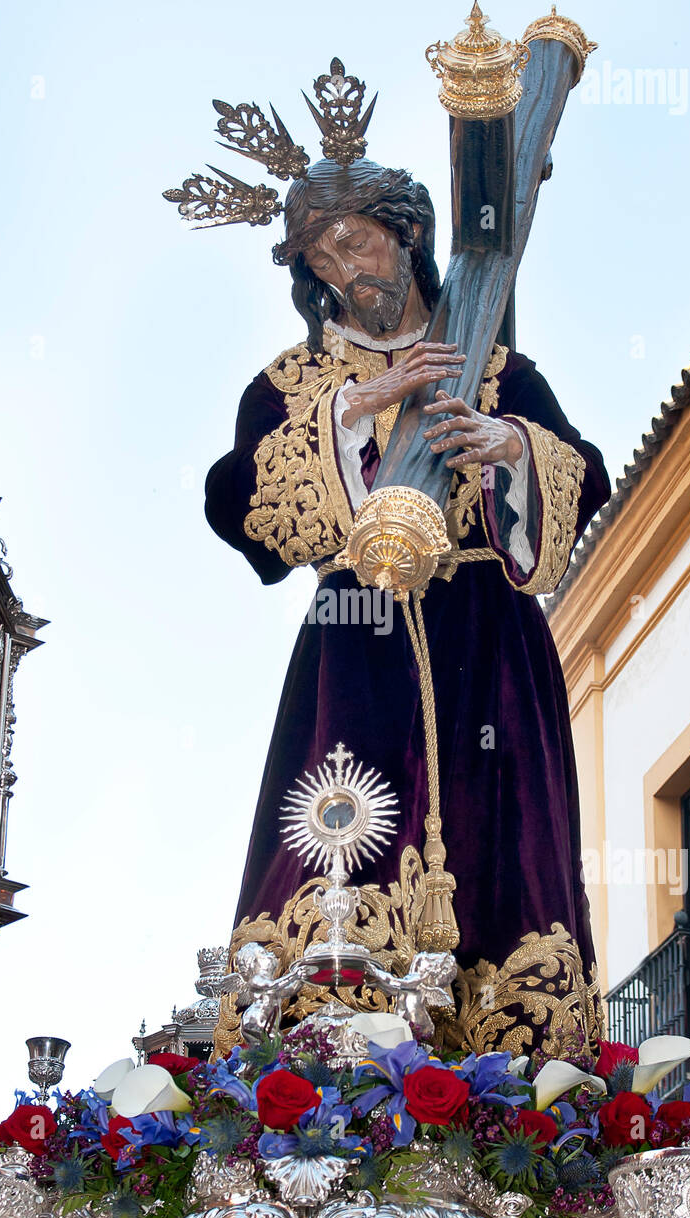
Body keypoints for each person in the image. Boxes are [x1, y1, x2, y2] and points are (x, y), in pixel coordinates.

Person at [204, 152, 611, 1060]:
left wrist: (508, 444)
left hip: (491, 650)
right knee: (337, 846)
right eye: (318, 258)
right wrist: (353, 411)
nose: (343, 271)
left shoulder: (500, 369)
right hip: (357, 651)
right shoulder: (292, 384)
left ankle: (524, 1099)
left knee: (505, 853)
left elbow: (586, 477)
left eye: (355, 243)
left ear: (410, 233)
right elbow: (238, 506)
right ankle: (329, 1073)